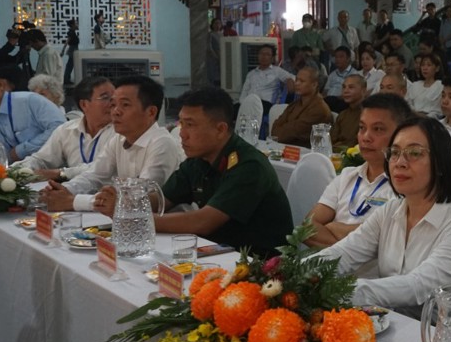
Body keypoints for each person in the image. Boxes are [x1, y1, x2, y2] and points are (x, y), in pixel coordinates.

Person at [312, 117, 451, 316]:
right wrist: (297, 273)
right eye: (394, 153)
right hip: (393, 322)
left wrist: (335, 291)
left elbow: (416, 286)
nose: (400, 163)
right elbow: (345, 253)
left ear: (440, 162)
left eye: (414, 153)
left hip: (445, 331)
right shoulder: (389, 211)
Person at [123, 87, 292, 257]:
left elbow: (203, 222)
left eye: (190, 125)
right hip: (219, 252)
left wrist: (137, 220)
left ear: (220, 129)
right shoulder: (198, 160)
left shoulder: (250, 165)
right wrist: (124, 203)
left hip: (260, 262)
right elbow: (162, 200)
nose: (182, 134)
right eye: (181, 124)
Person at [40, 75, 183, 212]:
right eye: (113, 104)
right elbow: (94, 176)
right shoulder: (118, 140)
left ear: (151, 112)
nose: (115, 112)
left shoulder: (162, 143)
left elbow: (138, 198)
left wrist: (73, 201)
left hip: (167, 224)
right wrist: (62, 190)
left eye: (125, 105)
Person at [307, 93, 413, 248]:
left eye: (377, 129)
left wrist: (334, 228)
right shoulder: (346, 176)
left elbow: (391, 241)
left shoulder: (406, 186)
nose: (365, 137)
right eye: (362, 128)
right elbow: (306, 229)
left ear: (401, 134)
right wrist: (357, 245)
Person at [18, 76, 116, 181]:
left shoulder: (121, 131)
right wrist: (17, 170)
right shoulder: (66, 130)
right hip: (72, 188)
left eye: (114, 98)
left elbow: (102, 168)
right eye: (105, 98)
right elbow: (41, 159)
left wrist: (60, 173)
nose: (113, 103)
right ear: (84, 104)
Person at [0, 62, 65, 162]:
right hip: (26, 169)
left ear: (0, 84)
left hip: (56, 168)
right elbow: (5, 156)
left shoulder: (29, 100)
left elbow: (61, 128)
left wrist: (21, 150)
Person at [270, 67, 332, 147]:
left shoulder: (319, 109)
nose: (296, 83)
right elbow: (275, 128)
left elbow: (292, 132)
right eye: (296, 80)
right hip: (286, 147)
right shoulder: (295, 104)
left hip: (305, 151)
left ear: (314, 84)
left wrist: (280, 130)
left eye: (302, 81)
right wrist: (278, 132)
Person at [239, 44, 294, 110]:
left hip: (266, 105)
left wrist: (289, 79)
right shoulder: (251, 74)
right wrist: (242, 104)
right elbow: (244, 92)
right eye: (261, 54)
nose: (263, 56)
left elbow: (293, 77)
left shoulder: (277, 71)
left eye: (267, 54)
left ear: (272, 58)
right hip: (249, 103)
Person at [329, 74, 366, 149]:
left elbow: (356, 144)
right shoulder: (343, 114)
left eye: (351, 87)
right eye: (344, 87)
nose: (345, 91)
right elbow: (331, 139)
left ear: (363, 90)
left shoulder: (368, 115)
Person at [407, 52, 444, 118]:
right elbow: (408, 102)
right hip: (413, 117)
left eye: (429, 65)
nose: (425, 68)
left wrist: (424, 117)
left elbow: (438, 111)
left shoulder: (441, 86)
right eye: (423, 65)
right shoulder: (415, 85)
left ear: (437, 68)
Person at [323, 46, 355, 112]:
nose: (337, 59)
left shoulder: (354, 74)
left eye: (341, 57)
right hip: (327, 101)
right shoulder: (332, 74)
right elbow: (325, 91)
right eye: (336, 57)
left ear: (348, 59)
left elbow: (352, 94)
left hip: (342, 102)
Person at [63, 18, 80, 85]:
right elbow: (67, 42)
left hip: (74, 50)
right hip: (72, 50)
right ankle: (66, 79)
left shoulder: (73, 32)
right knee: (70, 65)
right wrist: (62, 51)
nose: (77, 25)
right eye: (76, 23)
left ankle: (67, 79)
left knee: (70, 65)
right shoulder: (71, 33)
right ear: (73, 25)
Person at [207, 18, 222, 87]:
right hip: (214, 58)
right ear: (212, 25)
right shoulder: (210, 34)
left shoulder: (222, 34)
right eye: (216, 23)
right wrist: (215, 56)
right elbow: (209, 47)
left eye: (219, 23)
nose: (217, 25)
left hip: (221, 57)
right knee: (214, 75)